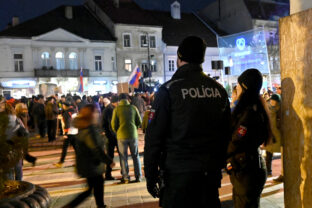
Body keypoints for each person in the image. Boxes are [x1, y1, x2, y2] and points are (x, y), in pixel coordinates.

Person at [144, 36, 231, 208]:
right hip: (209, 174)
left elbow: (154, 138)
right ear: (202, 58)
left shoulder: (169, 90)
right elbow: (226, 132)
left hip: (179, 174)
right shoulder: (218, 90)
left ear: (179, 56)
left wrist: (151, 174)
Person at [227, 69, 272, 208]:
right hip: (248, 168)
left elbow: (236, 141)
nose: (237, 88)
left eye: (239, 85)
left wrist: (221, 153)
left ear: (245, 88)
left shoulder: (249, 113)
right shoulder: (254, 107)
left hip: (247, 172)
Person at [62, 104, 115, 208]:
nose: (97, 114)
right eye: (95, 112)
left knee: (91, 188)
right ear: (91, 115)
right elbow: (95, 148)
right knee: (95, 187)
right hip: (92, 164)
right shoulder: (89, 130)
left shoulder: (83, 127)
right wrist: (108, 161)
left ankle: (100, 205)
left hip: (86, 163)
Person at [111, 93, 142, 184]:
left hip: (121, 136)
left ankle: (126, 178)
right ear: (128, 99)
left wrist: (118, 131)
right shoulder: (133, 108)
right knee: (135, 156)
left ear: (119, 100)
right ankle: (138, 176)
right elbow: (139, 121)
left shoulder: (116, 109)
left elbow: (113, 124)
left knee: (123, 157)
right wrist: (134, 128)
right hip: (133, 135)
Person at [54, 102, 78, 168]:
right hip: (75, 131)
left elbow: (67, 123)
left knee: (65, 148)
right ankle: (78, 162)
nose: (63, 106)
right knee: (76, 148)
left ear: (65, 106)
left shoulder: (66, 113)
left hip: (69, 133)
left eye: (63, 105)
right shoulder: (75, 111)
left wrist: (65, 133)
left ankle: (61, 162)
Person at [102, 95, 120, 180]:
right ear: (115, 102)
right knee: (110, 156)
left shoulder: (109, 108)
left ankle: (109, 174)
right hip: (111, 137)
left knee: (111, 155)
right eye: (118, 102)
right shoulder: (110, 110)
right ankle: (108, 175)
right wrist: (116, 136)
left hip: (110, 136)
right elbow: (111, 126)